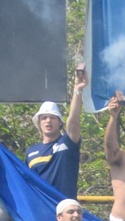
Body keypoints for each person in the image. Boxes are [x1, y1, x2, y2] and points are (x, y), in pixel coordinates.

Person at [24, 69, 87, 198]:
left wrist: (77, 90)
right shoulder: (30, 152)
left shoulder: (67, 142)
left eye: (52, 117)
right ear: (39, 123)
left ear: (60, 122)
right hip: (42, 209)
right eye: (44, 117)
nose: (48, 121)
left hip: (66, 208)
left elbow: (73, 119)